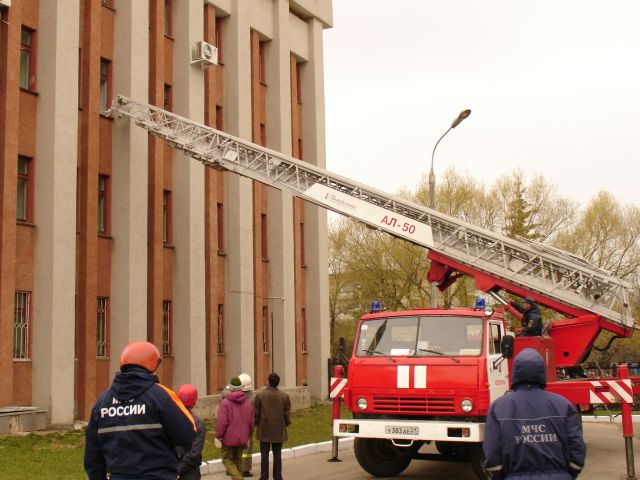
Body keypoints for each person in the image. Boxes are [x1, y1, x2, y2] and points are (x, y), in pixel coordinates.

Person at [84, 341, 197, 480]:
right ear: (151, 365)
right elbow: (188, 432)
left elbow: (92, 455)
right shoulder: (161, 396)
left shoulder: (102, 402)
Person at [483, 348, 586, 479]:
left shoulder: (498, 407)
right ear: (542, 372)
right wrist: (568, 474)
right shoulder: (563, 405)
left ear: (515, 372)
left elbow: (493, 453)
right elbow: (576, 447)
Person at [254, 372, 291, 480]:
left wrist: (255, 424)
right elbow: (287, 414)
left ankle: (264, 476)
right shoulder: (284, 396)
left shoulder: (260, 395)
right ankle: (278, 476)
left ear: (268, 382)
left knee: (264, 454)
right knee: (277, 454)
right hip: (278, 429)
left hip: (264, 429)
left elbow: (255, 413)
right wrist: (286, 423)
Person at [216, 377, 255, 480]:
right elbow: (251, 422)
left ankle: (238, 478)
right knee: (238, 461)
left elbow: (222, 422)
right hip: (243, 437)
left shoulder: (225, 403)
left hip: (228, 439)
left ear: (231, 388)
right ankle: (238, 477)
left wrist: (218, 436)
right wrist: (249, 436)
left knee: (227, 459)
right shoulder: (248, 403)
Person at [177, 384, 206, 480]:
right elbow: (194, 453)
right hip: (190, 473)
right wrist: (179, 470)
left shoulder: (168, 419)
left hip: (169, 470)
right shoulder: (198, 424)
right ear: (194, 402)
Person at [238, 373, 255, 477]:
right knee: (247, 449)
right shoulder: (251, 399)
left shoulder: (232, 397)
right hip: (246, 427)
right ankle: (245, 469)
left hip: (234, 427)